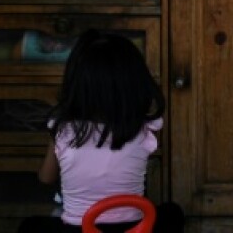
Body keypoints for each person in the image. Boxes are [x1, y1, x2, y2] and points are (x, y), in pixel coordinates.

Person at [18, 30, 185, 233]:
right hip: (135, 229)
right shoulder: (143, 128)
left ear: (77, 83)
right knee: (172, 212)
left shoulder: (63, 129)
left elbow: (46, 178)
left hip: (78, 229)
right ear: (133, 83)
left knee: (30, 226)